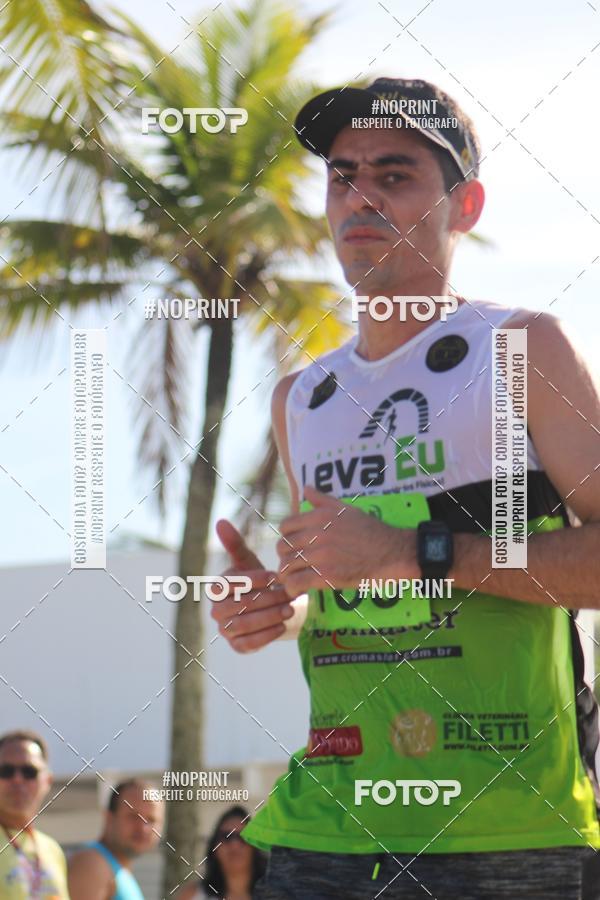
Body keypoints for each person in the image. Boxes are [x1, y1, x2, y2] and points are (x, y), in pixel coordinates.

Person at [211, 76, 600, 899]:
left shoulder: (525, 347)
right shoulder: (301, 397)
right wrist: (275, 609)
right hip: (331, 826)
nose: (360, 196)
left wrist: (415, 550)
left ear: (467, 206)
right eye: (342, 174)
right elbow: (340, 590)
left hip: (509, 822)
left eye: (395, 175)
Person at [0, 728, 69, 898]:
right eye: (6, 771)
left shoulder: (52, 849)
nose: (17, 779)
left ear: (47, 781)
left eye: (29, 772)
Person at [68, 778, 163, 900]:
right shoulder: (92, 864)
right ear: (109, 818)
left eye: (151, 819)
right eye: (133, 817)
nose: (143, 828)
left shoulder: (120, 872)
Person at [176, 805, 266, 900]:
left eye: (243, 837)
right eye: (226, 837)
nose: (234, 844)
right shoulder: (192, 896)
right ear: (214, 847)